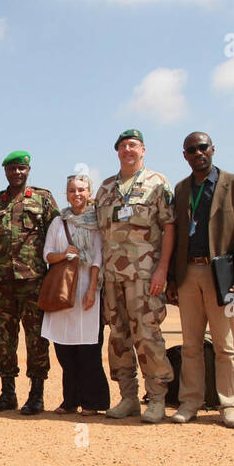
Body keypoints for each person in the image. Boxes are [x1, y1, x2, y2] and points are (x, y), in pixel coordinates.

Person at [166, 132, 234, 429]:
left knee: (225, 343)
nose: (198, 153)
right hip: (188, 275)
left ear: (212, 149)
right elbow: (176, 236)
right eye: (191, 150)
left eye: (202, 147)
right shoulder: (181, 190)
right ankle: (190, 401)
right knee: (191, 344)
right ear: (185, 155)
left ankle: (230, 404)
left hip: (223, 277)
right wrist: (171, 279)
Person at [95, 128, 176, 423]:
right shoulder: (104, 189)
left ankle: (156, 399)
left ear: (143, 150)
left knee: (148, 335)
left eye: (133, 145)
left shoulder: (158, 184)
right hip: (112, 277)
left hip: (145, 276)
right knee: (118, 339)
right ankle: (128, 398)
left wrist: (163, 270)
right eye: (122, 146)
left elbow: (169, 227)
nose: (127, 150)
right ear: (117, 152)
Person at [0, 151, 59, 414]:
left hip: (34, 281)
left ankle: (36, 395)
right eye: (12, 169)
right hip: (0, 283)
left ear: (28, 170)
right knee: (2, 339)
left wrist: (54, 278)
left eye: (21, 168)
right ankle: (7, 393)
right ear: (5, 172)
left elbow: (56, 236)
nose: (16, 173)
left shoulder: (43, 199)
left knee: (36, 339)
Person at [42, 173, 109, 415]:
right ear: (66, 194)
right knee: (64, 348)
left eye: (81, 189)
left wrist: (92, 289)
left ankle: (93, 402)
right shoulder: (59, 223)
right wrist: (65, 255)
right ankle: (70, 400)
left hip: (87, 289)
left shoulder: (96, 223)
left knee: (88, 348)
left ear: (89, 193)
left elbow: (98, 257)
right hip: (63, 289)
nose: (77, 194)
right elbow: (47, 254)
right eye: (72, 190)